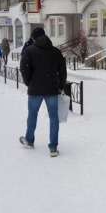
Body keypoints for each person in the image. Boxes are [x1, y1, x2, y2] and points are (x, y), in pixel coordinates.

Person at [19, 27, 67, 157]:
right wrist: (60, 85)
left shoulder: (29, 51)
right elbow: (63, 70)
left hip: (35, 90)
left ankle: (29, 140)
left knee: (32, 115)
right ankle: (53, 147)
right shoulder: (55, 51)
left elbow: (23, 68)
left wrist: (29, 82)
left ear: (34, 38)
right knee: (54, 118)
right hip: (52, 89)